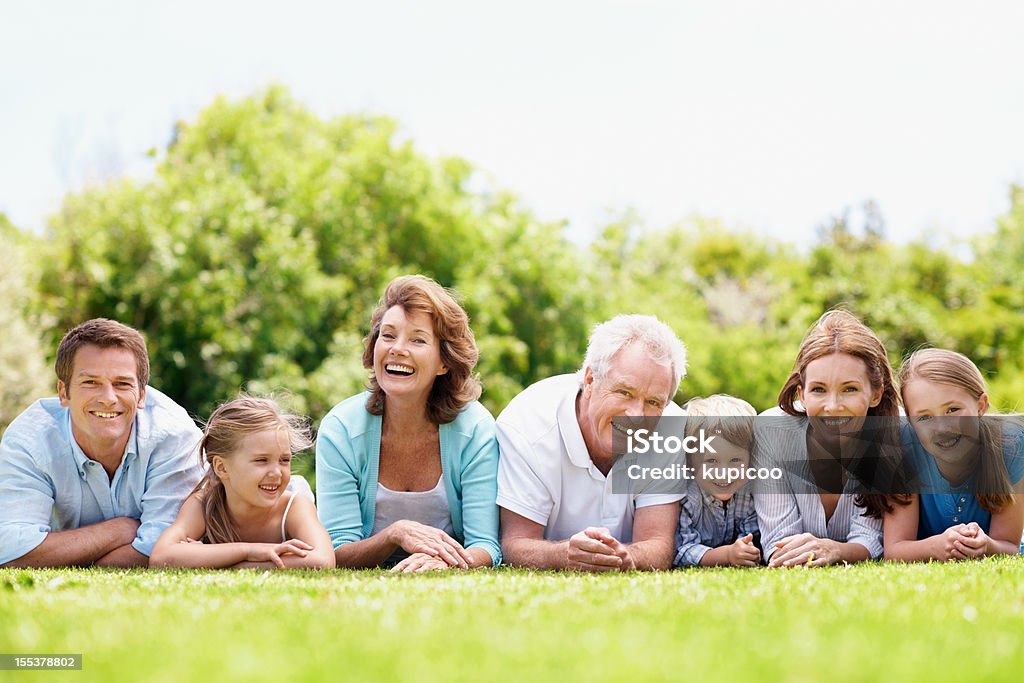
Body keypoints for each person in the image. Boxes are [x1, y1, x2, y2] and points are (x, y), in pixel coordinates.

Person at [316, 275, 500, 571]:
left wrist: (445, 562)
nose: (397, 348)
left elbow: (486, 544)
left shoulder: (475, 429)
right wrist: (395, 534)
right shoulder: (341, 429)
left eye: (417, 339)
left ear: (443, 362)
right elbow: (336, 550)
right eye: (387, 336)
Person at [0, 318, 202, 568]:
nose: (108, 398)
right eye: (91, 382)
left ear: (141, 395)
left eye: (122, 384)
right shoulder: (30, 440)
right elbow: (10, 550)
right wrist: (120, 530)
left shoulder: (174, 435)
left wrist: (65, 555)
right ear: (63, 392)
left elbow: (164, 548)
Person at [497, 314, 688, 571]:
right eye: (624, 392)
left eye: (653, 402)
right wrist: (563, 555)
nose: (635, 415)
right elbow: (515, 543)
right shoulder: (528, 423)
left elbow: (658, 543)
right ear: (589, 380)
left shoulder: (671, 426)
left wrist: (628, 558)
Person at [755, 310, 899, 568]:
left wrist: (836, 550)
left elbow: (870, 538)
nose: (833, 406)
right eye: (818, 389)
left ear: (876, 393)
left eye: (850, 389)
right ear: (801, 393)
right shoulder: (772, 430)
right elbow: (779, 542)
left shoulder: (893, 433)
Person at [150, 396, 334, 569]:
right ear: (221, 468)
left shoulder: (294, 506)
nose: (277, 472)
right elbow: (161, 557)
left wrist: (229, 563)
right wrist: (250, 551)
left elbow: (322, 560)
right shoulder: (203, 505)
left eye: (284, 460)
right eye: (261, 460)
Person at [883, 349, 1024, 561]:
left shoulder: (1011, 446)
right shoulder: (903, 449)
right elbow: (894, 550)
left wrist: (986, 545)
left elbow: (1009, 545)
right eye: (924, 418)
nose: (941, 428)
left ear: (981, 405)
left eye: (952, 410)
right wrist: (936, 546)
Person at [673, 395, 760, 568]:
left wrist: (747, 549)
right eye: (711, 461)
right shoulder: (687, 497)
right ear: (690, 462)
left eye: (735, 460)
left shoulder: (750, 492)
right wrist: (727, 555)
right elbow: (682, 551)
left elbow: (754, 536)